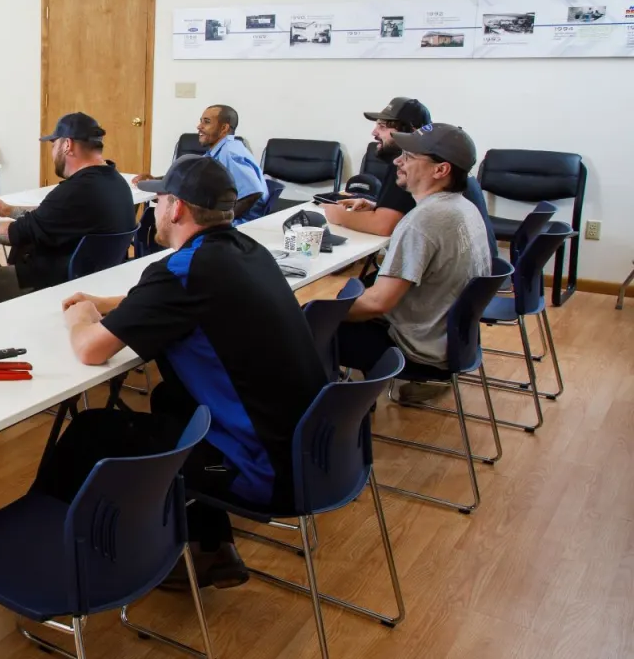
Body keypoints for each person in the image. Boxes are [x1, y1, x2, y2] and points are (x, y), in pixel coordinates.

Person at [48, 157, 328, 588]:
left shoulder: (181, 272)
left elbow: (90, 350)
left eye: (158, 199)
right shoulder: (246, 251)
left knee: (91, 432)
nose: (154, 208)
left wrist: (81, 317)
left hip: (263, 474)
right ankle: (210, 550)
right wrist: (109, 302)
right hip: (309, 454)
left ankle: (55, 565)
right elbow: (174, 296)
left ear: (176, 208)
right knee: (171, 401)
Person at [334, 124, 491, 401]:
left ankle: (339, 418)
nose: (398, 161)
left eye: (408, 156)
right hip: (449, 342)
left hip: (415, 350)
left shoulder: (424, 221)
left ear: (440, 170)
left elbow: (377, 304)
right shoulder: (463, 207)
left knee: (299, 329)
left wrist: (308, 311)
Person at [0, 112, 137, 307]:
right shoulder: (115, 182)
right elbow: (50, 218)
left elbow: (14, 235)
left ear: (67, 145)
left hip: (50, 283)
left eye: (54, 145)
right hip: (94, 279)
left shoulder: (74, 191)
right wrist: (8, 210)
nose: (53, 153)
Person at [322, 97, 432, 236]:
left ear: (411, 132)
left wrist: (338, 215)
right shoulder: (423, 157)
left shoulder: (408, 165)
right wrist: (377, 206)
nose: (374, 133)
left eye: (382, 127)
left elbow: (384, 226)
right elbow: (410, 212)